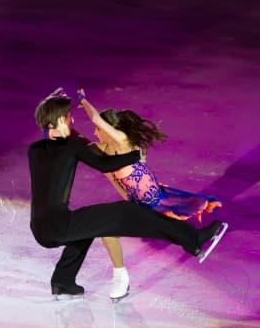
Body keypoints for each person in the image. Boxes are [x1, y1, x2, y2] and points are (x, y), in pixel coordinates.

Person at [28, 88, 227, 301]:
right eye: (68, 117)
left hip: (40, 228)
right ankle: (193, 238)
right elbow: (104, 164)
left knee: (88, 228)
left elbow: (56, 147)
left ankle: (63, 280)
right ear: (58, 120)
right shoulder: (72, 145)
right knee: (127, 211)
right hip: (59, 224)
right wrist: (133, 155)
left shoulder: (35, 149)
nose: (72, 120)